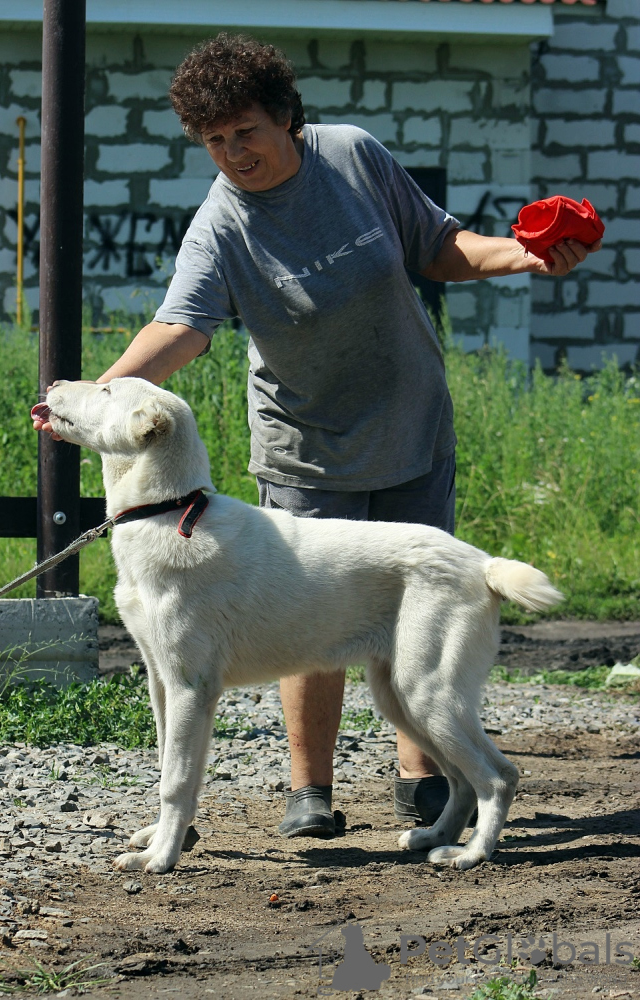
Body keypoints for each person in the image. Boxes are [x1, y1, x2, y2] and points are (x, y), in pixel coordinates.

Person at [34, 34, 600, 839]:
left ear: (287, 119)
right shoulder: (220, 226)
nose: (234, 154)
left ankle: (423, 780)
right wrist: (94, 399)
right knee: (304, 612)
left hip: (409, 424)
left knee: (403, 611)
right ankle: (311, 792)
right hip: (306, 442)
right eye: (214, 141)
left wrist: (524, 257)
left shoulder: (354, 158)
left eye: (246, 132)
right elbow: (180, 327)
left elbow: (439, 248)